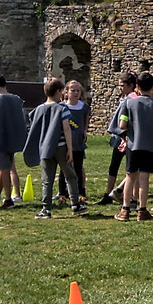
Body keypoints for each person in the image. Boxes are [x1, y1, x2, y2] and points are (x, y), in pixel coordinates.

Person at [117, 72, 153, 222]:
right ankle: (142, 210)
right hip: (150, 146)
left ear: (136, 87)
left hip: (133, 145)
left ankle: (125, 210)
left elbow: (122, 125)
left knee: (130, 176)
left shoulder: (129, 103)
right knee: (144, 179)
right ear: (152, 86)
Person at [26, 78, 72, 219]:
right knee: (71, 176)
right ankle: (76, 204)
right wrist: (70, 149)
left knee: (47, 180)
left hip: (45, 148)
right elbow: (66, 128)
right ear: (58, 91)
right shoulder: (62, 108)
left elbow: (33, 128)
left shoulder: (38, 110)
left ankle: (46, 209)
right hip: (61, 147)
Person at [0, 75, 28, 209]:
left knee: (3, 169)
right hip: (15, 137)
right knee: (5, 167)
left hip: (1, 138)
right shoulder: (17, 99)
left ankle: (8, 199)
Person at [97, 75, 134, 206]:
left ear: (131, 85)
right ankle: (108, 194)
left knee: (132, 168)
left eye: (122, 85)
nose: (120, 88)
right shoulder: (123, 99)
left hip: (129, 138)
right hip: (119, 138)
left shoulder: (132, 99)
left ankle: (130, 196)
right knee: (113, 166)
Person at [63, 79, 91, 211]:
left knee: (78, 168)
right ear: (66, 92)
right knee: (64, 169)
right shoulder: (63, 107)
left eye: (78, 90)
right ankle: (62, 193)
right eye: (72, 90)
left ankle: (80, 192)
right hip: (66, 142)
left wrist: (85, 131)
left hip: (78, 142)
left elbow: (85, 120)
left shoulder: (83, 107)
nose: (75, 93)